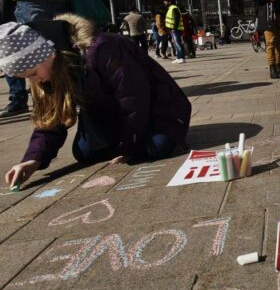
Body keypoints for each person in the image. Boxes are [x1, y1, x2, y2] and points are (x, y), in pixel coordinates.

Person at [2, 14, 191, 189]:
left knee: (158, 146)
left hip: (153, 107)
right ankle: (125, 138)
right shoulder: (49, 72)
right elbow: (51, 117)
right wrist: (33, 159)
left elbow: (133, 99)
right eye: (27, 78)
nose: (35, 81)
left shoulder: (103, 48)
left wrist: (128, 147)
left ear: (47, 53)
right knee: (85, 153)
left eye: (33, 73)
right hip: (107, 112)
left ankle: (135, 137)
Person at [163, 0, 185, 64]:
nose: (164, 3)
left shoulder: (174, 8)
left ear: (169, 2)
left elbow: (177, 18)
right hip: (174, 29)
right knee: (176, 44)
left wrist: (174, 28)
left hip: (176, 29)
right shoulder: (171, 8)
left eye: (165, 1)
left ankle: (181, 58)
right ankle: (178, 57)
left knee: (178, 43)